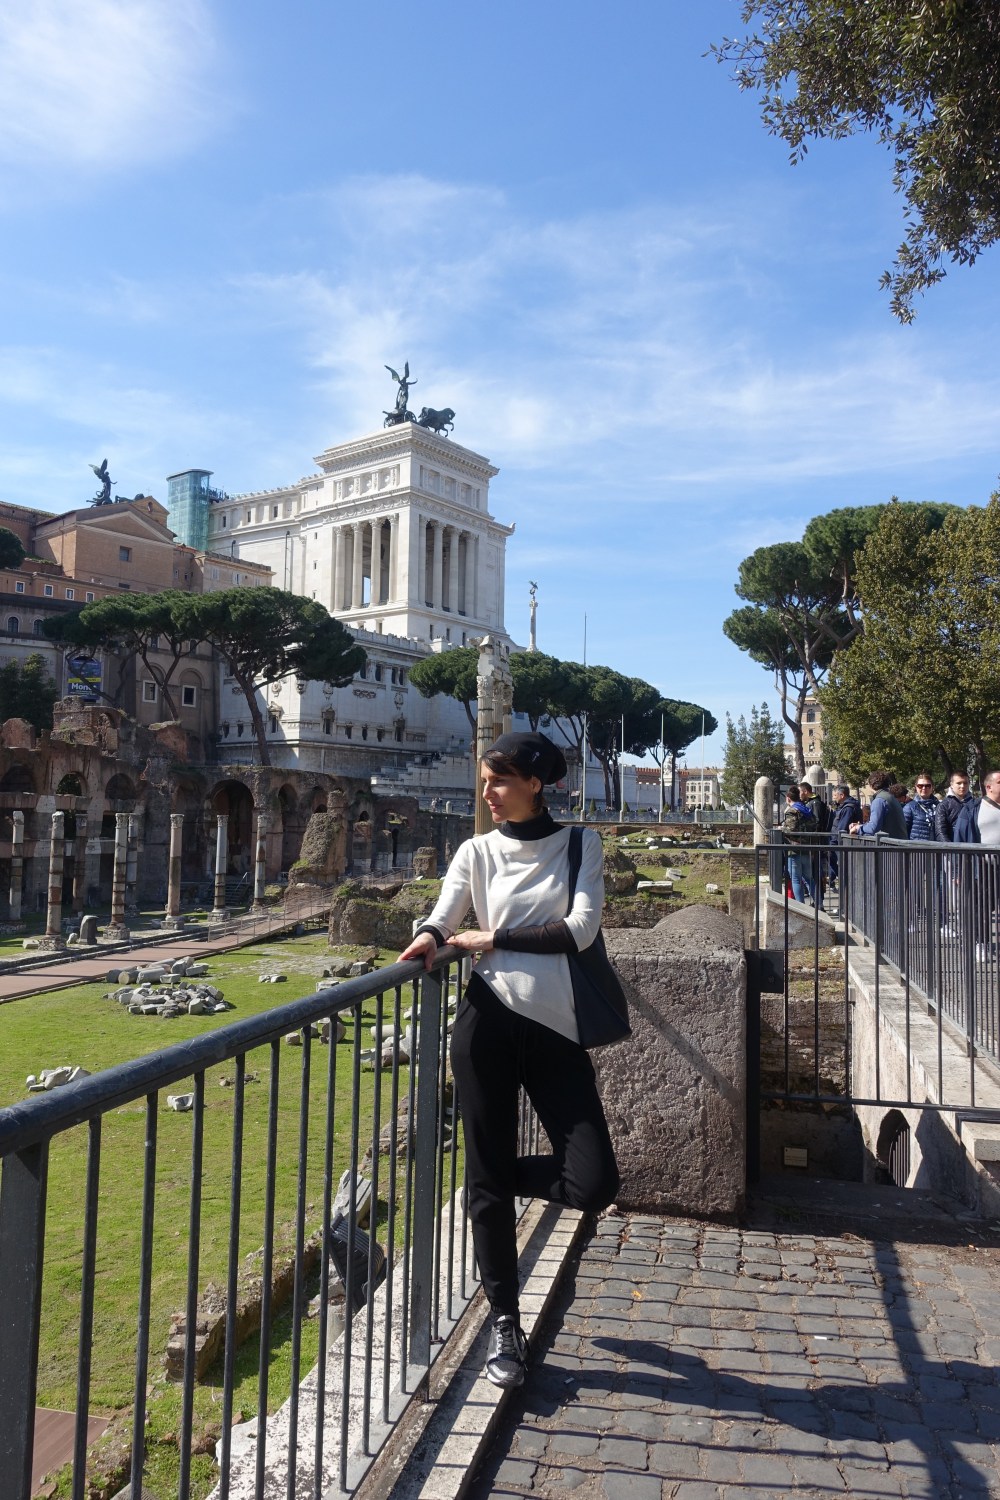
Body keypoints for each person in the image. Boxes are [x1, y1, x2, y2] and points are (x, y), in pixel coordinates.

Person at [399, 731, 620, 1390]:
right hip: (486, 1026)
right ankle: (505, 1323)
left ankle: (489, 1181)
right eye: (484, 780)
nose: (487, 793)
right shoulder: (475, 851)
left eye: (498, 780)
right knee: (489, 1180)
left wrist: (491, 937)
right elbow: (444, 916)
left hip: (556, 1030)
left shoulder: (580, 844)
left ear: (534, 783)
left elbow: (580, 930)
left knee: (594, 1183)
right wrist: (429, 937)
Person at [781, 784, 816, 903]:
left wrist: (782, 828)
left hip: (794, 849)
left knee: (796, 879)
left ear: (788, 798)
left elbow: (791, 829)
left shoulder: (792, 811)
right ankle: (819, 904)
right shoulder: (807, 810)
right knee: (809, 879)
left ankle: (801, 906)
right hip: (807, 848)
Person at [849, 770, 909, 839]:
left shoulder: (879, 800)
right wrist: (862, 826)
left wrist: (858, 828)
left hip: (890, 844)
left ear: (871, 785)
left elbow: (873, 827)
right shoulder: (891, 797)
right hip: (900, 842)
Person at [828, 784, 861, 888]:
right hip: (837, 839)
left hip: (839, 841)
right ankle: (837, 878)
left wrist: (836, 838)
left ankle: (844, 882)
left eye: (835, 795)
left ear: (842, 795)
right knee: (831, 859)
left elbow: (842, 827)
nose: (833, 798)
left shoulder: (848, 808)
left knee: (841, 863)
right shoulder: (845, 806)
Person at [935, 771, 974, 842]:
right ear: (951, 784)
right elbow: (940, 832)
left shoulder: (975, 804)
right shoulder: (943, 805)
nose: (962, 786)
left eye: (965, 783)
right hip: (953, 847)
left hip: (973, 847)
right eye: (959, 783)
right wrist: (950, 847)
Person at [904, 775, 939, 842]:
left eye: (927, 786)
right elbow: (903, 830)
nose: (924, 788)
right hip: (917, 847)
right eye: (920, 786)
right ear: (916, 787)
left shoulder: (939, 806)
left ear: (932, 787)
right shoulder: (909, 807)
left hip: (936, 846)